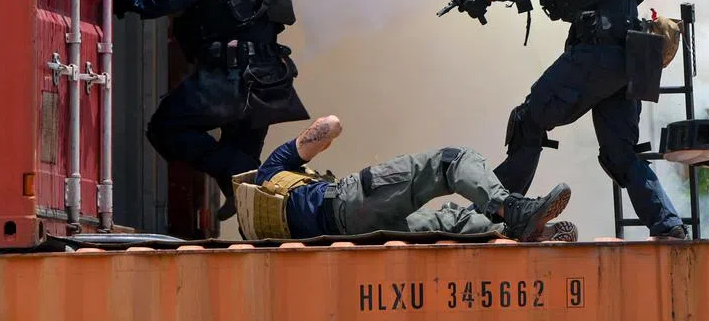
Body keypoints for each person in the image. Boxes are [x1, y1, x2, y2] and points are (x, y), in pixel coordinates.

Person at [454, 0, 689, 239]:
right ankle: (669, 226)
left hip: (598, 51)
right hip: (632, 54)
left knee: (530, 120)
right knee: (620, 152)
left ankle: (499, 213)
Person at [115, 0, 309, 219]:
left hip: (229, 77)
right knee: (241, 170)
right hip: (268, 77)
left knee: (167, 128)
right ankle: (259, 199)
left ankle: (255, 178)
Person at [235, 115, 578, 242]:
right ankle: (513, 211)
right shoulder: (272, 172)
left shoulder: (274, 229)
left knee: (447, 222)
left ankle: (521, 234)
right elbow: (331, 125)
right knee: (448, 161)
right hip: (345, 202)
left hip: (351, 234)